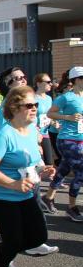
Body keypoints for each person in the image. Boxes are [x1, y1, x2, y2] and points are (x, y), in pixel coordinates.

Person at [0, 85, 55, 267]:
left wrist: (43, 169)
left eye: (36, 105)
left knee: (38, 236)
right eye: (29, 105)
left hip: (26, 193)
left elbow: (33, 160)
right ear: (14, 107)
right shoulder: (4, 134)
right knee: (14, 240)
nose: (35, 109)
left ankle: (0, 249)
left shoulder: (32, 129)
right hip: (2, 196)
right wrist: (13, 184)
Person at [43, 66, 83, 222]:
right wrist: (68, 117)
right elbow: (50, 113)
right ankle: (72, 208)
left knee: (64, 170)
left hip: (80, 139)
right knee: (81, 172)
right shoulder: (66, 97)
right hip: (67, 140)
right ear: (77, 80)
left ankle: (48, 197)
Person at [34, 73, 54, 167]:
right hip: (35, 135)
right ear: (39, 84)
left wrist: (54, 123)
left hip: (45, 134)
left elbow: (49, 116)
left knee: (49, 163)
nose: (51, 84)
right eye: (48, 82)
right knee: (39, 165)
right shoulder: (33, 98)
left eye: (51, 82)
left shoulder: (49, 99)